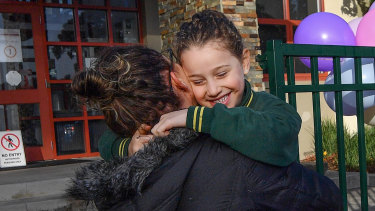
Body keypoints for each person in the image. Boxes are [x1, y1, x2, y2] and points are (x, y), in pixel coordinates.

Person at [68, 45, 342, 210]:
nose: (211, 88)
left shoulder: (112, 187)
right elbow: (326, 198)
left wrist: (126, 146)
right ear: (177, 82)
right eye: (192, 75)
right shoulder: (230, 158)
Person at [100, 10, 301, 167]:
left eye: (221, 74)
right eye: (197, 81)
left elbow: (282, 134)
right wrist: (128, 147)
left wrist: (200, 118)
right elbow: (107, 140)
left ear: (245, 61)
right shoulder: (185, 111)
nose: (213, 90)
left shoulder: (264, 106)